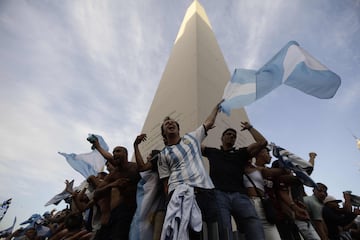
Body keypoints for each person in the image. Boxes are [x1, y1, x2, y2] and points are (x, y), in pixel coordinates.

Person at [157, 101, 222, 240]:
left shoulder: (192, 137)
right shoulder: (163, 154)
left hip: (205, 190)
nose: (170, 123)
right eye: (166, 124)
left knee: (212, 230)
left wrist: (216, 107)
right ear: (164, 133)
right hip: (177, 193)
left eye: (173, 122)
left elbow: (208, 122)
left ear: (178, 128)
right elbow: (165, 183)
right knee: (186, 233)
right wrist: (169, 200)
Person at [202, 123, 266, 240]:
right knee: (224, 228)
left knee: (253, 224)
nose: (231, 136)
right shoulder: (213, 152)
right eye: (228, 134)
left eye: (234, 135)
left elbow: (263, 142)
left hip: (240, 196)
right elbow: (192, 145)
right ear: (222, 137)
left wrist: (250, 128)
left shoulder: (241, 153)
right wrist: (203, 129)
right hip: (218, 195)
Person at [91, 138, 141, 240]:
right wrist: (113, 184)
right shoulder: (113, 175)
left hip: (135, 210)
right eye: (114, 152)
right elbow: (96, 194)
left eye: (118, 151)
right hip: (118, 211)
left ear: (126, 154)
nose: (115, 153)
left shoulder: (135, 168)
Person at [244, 146, 284, 240]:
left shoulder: (260, 169)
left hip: (261, 203)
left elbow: (281, 172)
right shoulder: (237, 169)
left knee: (273, 236)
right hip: (246, 204)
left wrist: (285, 162)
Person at [130, 133, 166, 240]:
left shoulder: (157, 167)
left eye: (150, 155)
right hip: (144, 211)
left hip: (157, 210)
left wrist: (136, 146)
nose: (147, 157)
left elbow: (141, 167)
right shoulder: (146, 176)